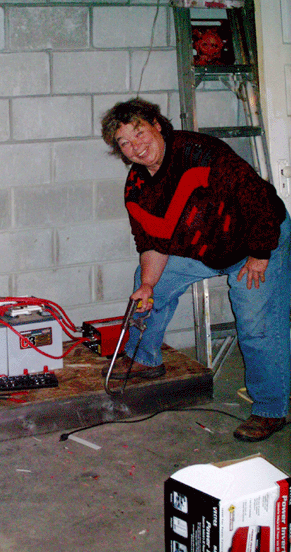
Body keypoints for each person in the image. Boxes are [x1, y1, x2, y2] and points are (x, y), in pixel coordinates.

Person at [100, 97, 291, 443]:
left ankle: (270, 409)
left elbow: (256, 199)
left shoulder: (201, 153)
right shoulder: (137, 189)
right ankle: (145, 358)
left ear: (157, 125)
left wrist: (261, 253)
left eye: (139, 133)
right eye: (124, 143)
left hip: (256, 240)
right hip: (205, 247)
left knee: (257, 324)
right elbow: (152, 244)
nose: (135, 147)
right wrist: (147, 284)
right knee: (149, 286)